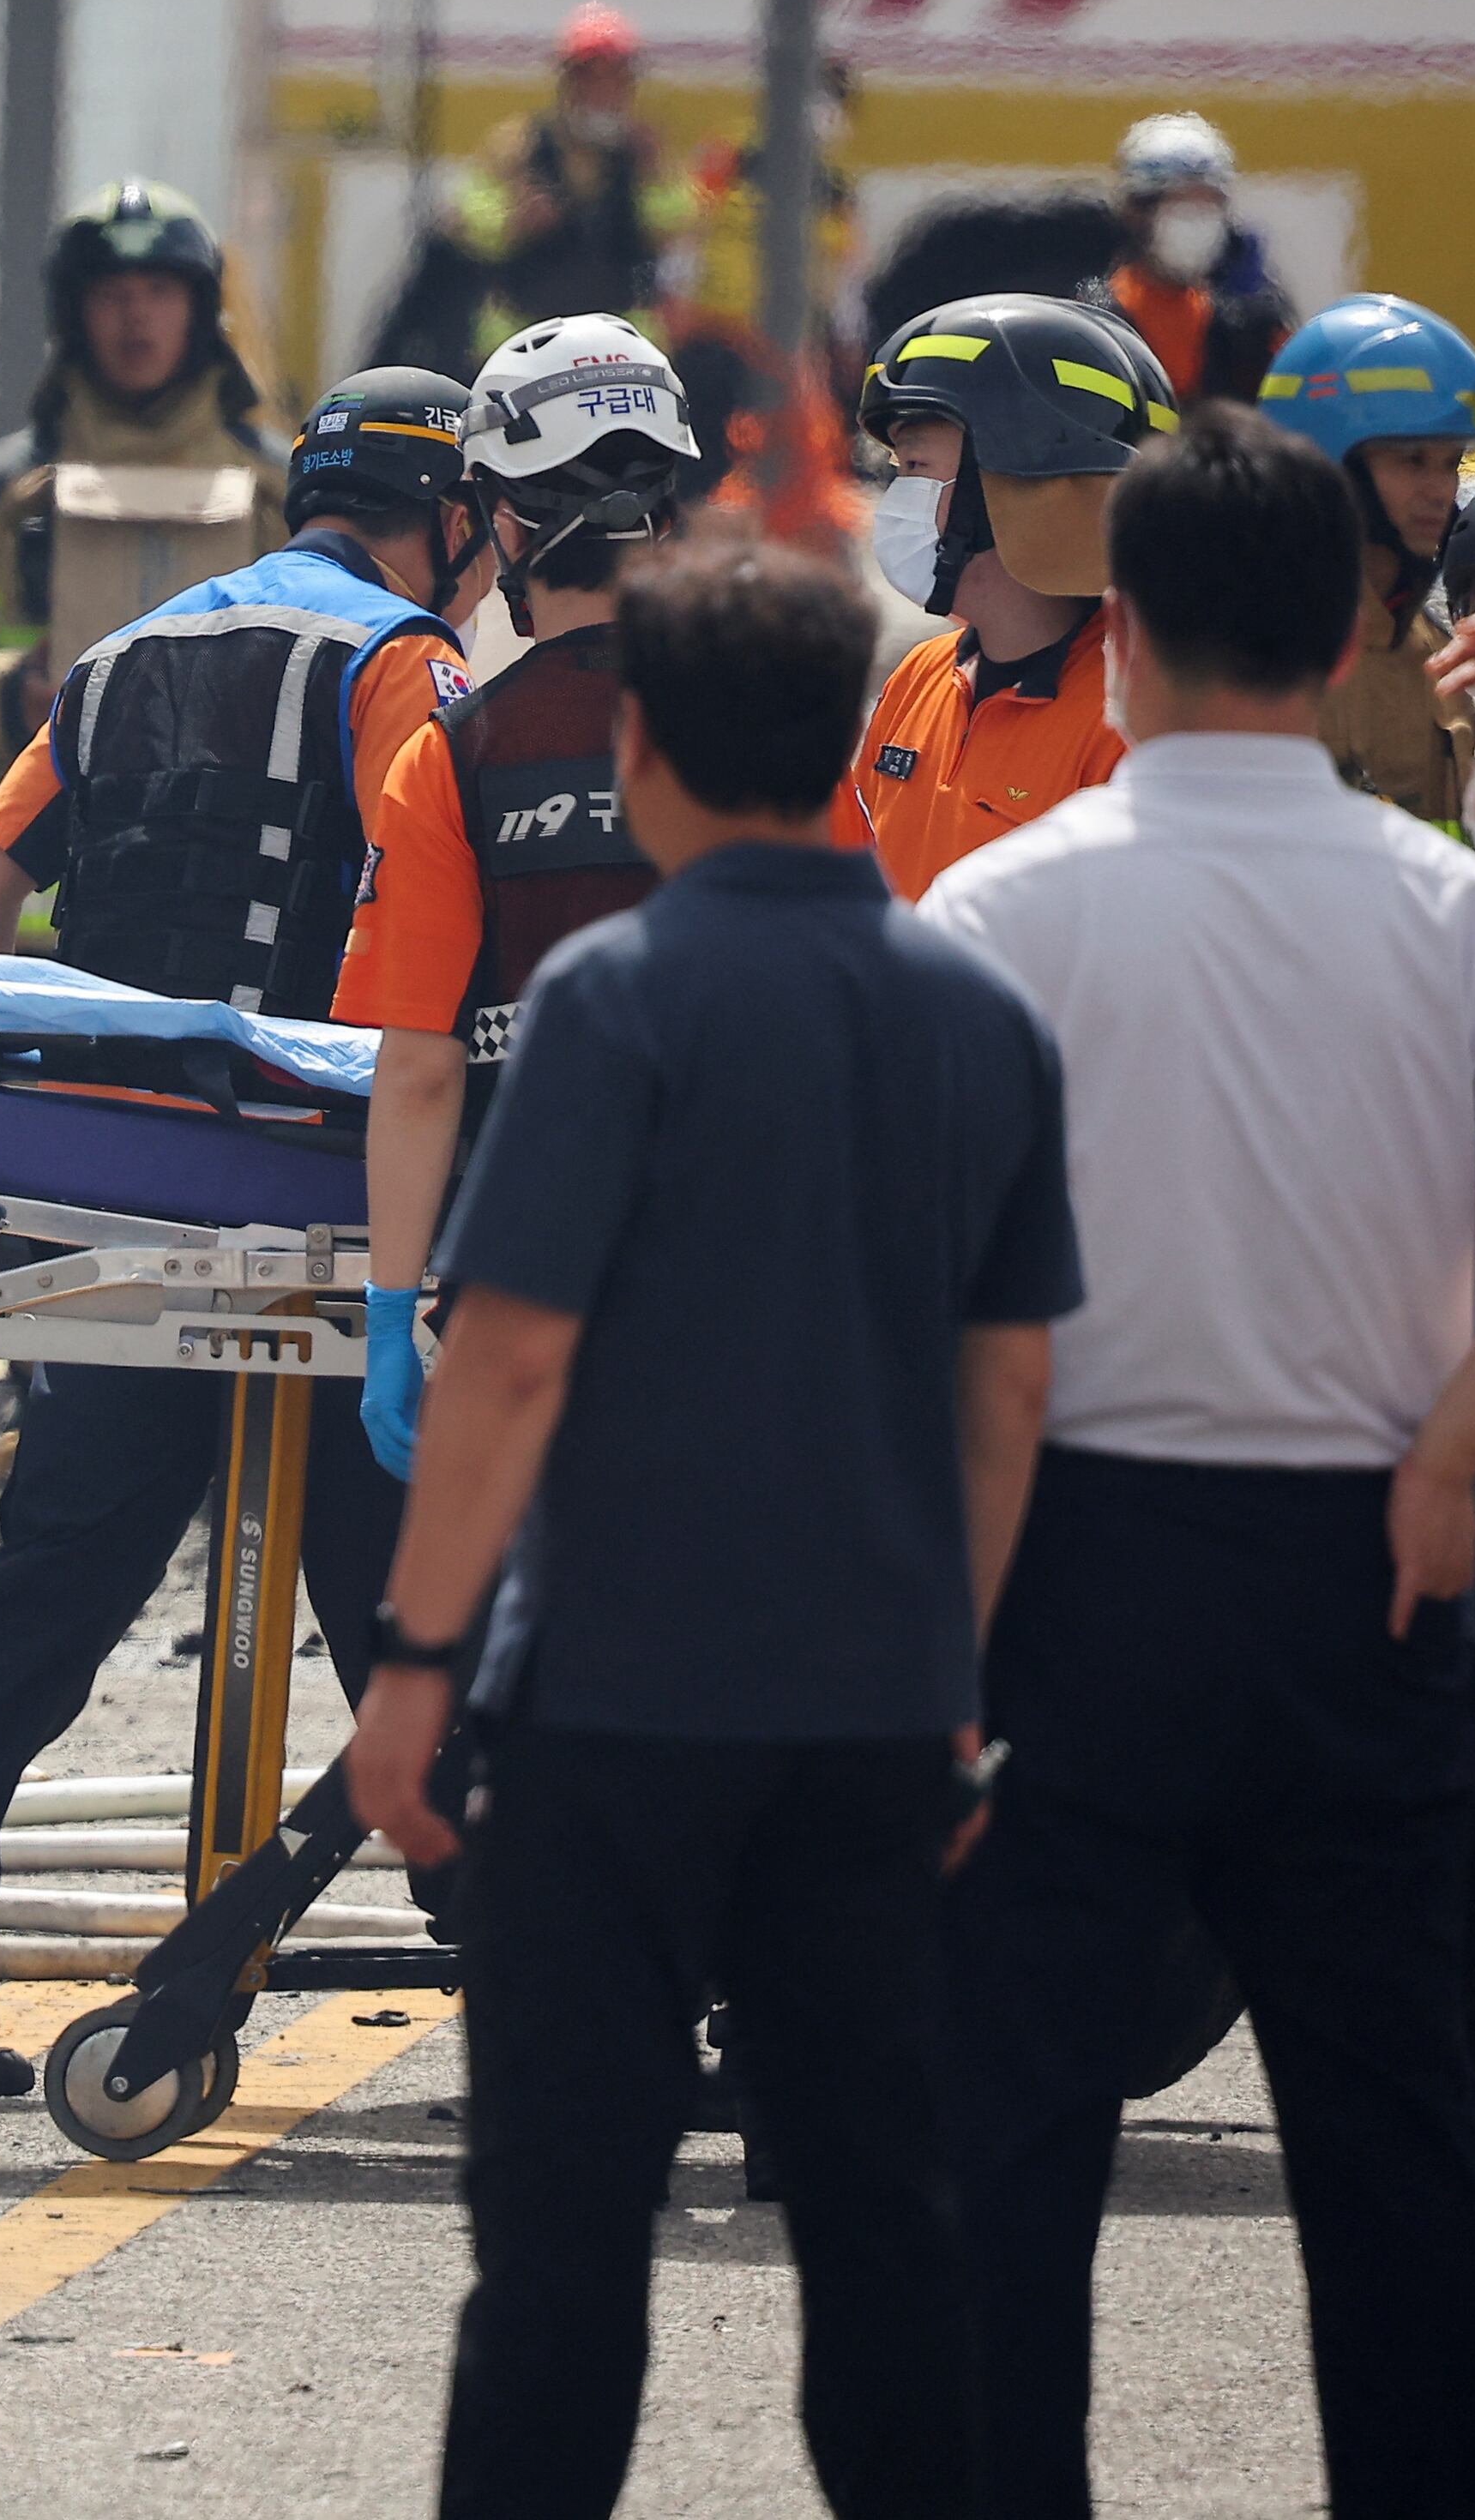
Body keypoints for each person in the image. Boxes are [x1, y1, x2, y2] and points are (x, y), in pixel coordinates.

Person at [346, 543, 1073, 2519]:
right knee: (883, 2230)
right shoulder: (973, 1007)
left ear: (644, 743)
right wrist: (956, 1679)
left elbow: (505, 1363)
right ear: (846, 744)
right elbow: (1006, 1393)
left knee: (566, 2251)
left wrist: (412, 1670)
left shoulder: (615, 993)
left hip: (613, 1717)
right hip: (874, 1710)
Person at [920, 406, 1475, 2520]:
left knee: (1011, 2137)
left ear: (1122, 635)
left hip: (1073, 1561)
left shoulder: (994, 913)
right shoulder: (1455, 912)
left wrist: (951, 1628)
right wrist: (1451, 1449)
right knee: (1393, 2139)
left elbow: (952, 1324)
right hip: (1369, 1569)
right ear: (1357, 620)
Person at [0, 367, 486, 2096]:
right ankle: (529, 1956)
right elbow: (438, 892)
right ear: (449, 520)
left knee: (59, 1567)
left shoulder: (120, 655)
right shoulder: (411, 667)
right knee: (406, 1591)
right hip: (313, 1193)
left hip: (116, 1175)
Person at [332, 316, 698, 1480]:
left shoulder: (459, 754)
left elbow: (423, 1065)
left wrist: (393, 1316)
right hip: (743, 1253)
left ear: (506, 518)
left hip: (524, 1272)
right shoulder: (779, 724)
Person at [0, 179, 284, 809]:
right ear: (72, 313)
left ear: (201, 310)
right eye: (111, 294)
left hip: (229, 830)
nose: (136, 316)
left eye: (160, 292)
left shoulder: (282, 486)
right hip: (35, 865)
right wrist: (9, 693)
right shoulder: (0, 493)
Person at [834, 296, 1173, 901]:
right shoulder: (920, 678)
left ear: (1015, 481)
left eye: (915, 465)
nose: (897, 498)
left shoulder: (1126, 717)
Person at [1259, 291, 1475, 827]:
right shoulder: (1255, 666)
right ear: (1327, 463)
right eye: (1412, 461)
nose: (1442, 490)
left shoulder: (1434, 649)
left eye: (1451, 463)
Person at [463, 3, 688, 331]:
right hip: (525, 331)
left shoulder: (644, 151)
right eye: (588, 78)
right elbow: (470, 220)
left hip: (623, 334)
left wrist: (652, 173)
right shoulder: (519, 144)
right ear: (567, 82)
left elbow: (676, 228)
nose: (600, 92)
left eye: (613, 78)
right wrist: (513, 220)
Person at [1090, 110, 1293, 408]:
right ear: (1136, 211)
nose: (1198, 224)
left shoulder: (1250, 329)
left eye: (1208, 206)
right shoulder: (1097, 322)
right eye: (1182, 205)